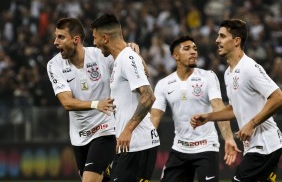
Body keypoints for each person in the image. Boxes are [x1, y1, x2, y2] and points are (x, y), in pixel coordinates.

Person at [47, 18, 140, 182]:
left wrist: (131, 53)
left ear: (75, 40)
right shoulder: (54, 65)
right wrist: (97, 104)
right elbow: (67, 102)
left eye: (61, 37)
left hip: (105, 129)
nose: (55, 42)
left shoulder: (101, 56)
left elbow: (139, 72)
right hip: (79, 136)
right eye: (56, 37)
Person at [191, 19, 282, 182]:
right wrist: (208, 117)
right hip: (255, 147)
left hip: (265, 145)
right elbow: (234, 108)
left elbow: (278, 97)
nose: (217, 40)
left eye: (222, 36)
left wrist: (252, 123)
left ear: (236, 41)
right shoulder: (228, 73)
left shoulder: (249, 68)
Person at [151, 35, 240, 182]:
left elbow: (218, 107)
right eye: (187, 49)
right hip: (179, 149)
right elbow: (154, 117)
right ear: (175, 55)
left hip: (206, 148)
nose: (193, 52)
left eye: (195, 48)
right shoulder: (164, 84)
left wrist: (229, 138)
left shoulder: (208, 77)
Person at [91, 13, 160, 182]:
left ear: (105, 38)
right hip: (129, 146)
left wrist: (127, 129)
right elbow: (146, 73)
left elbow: (149, 97)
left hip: (137, 145)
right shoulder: (124, 58)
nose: (94, 43)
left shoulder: (127, 59)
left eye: (95, 38)